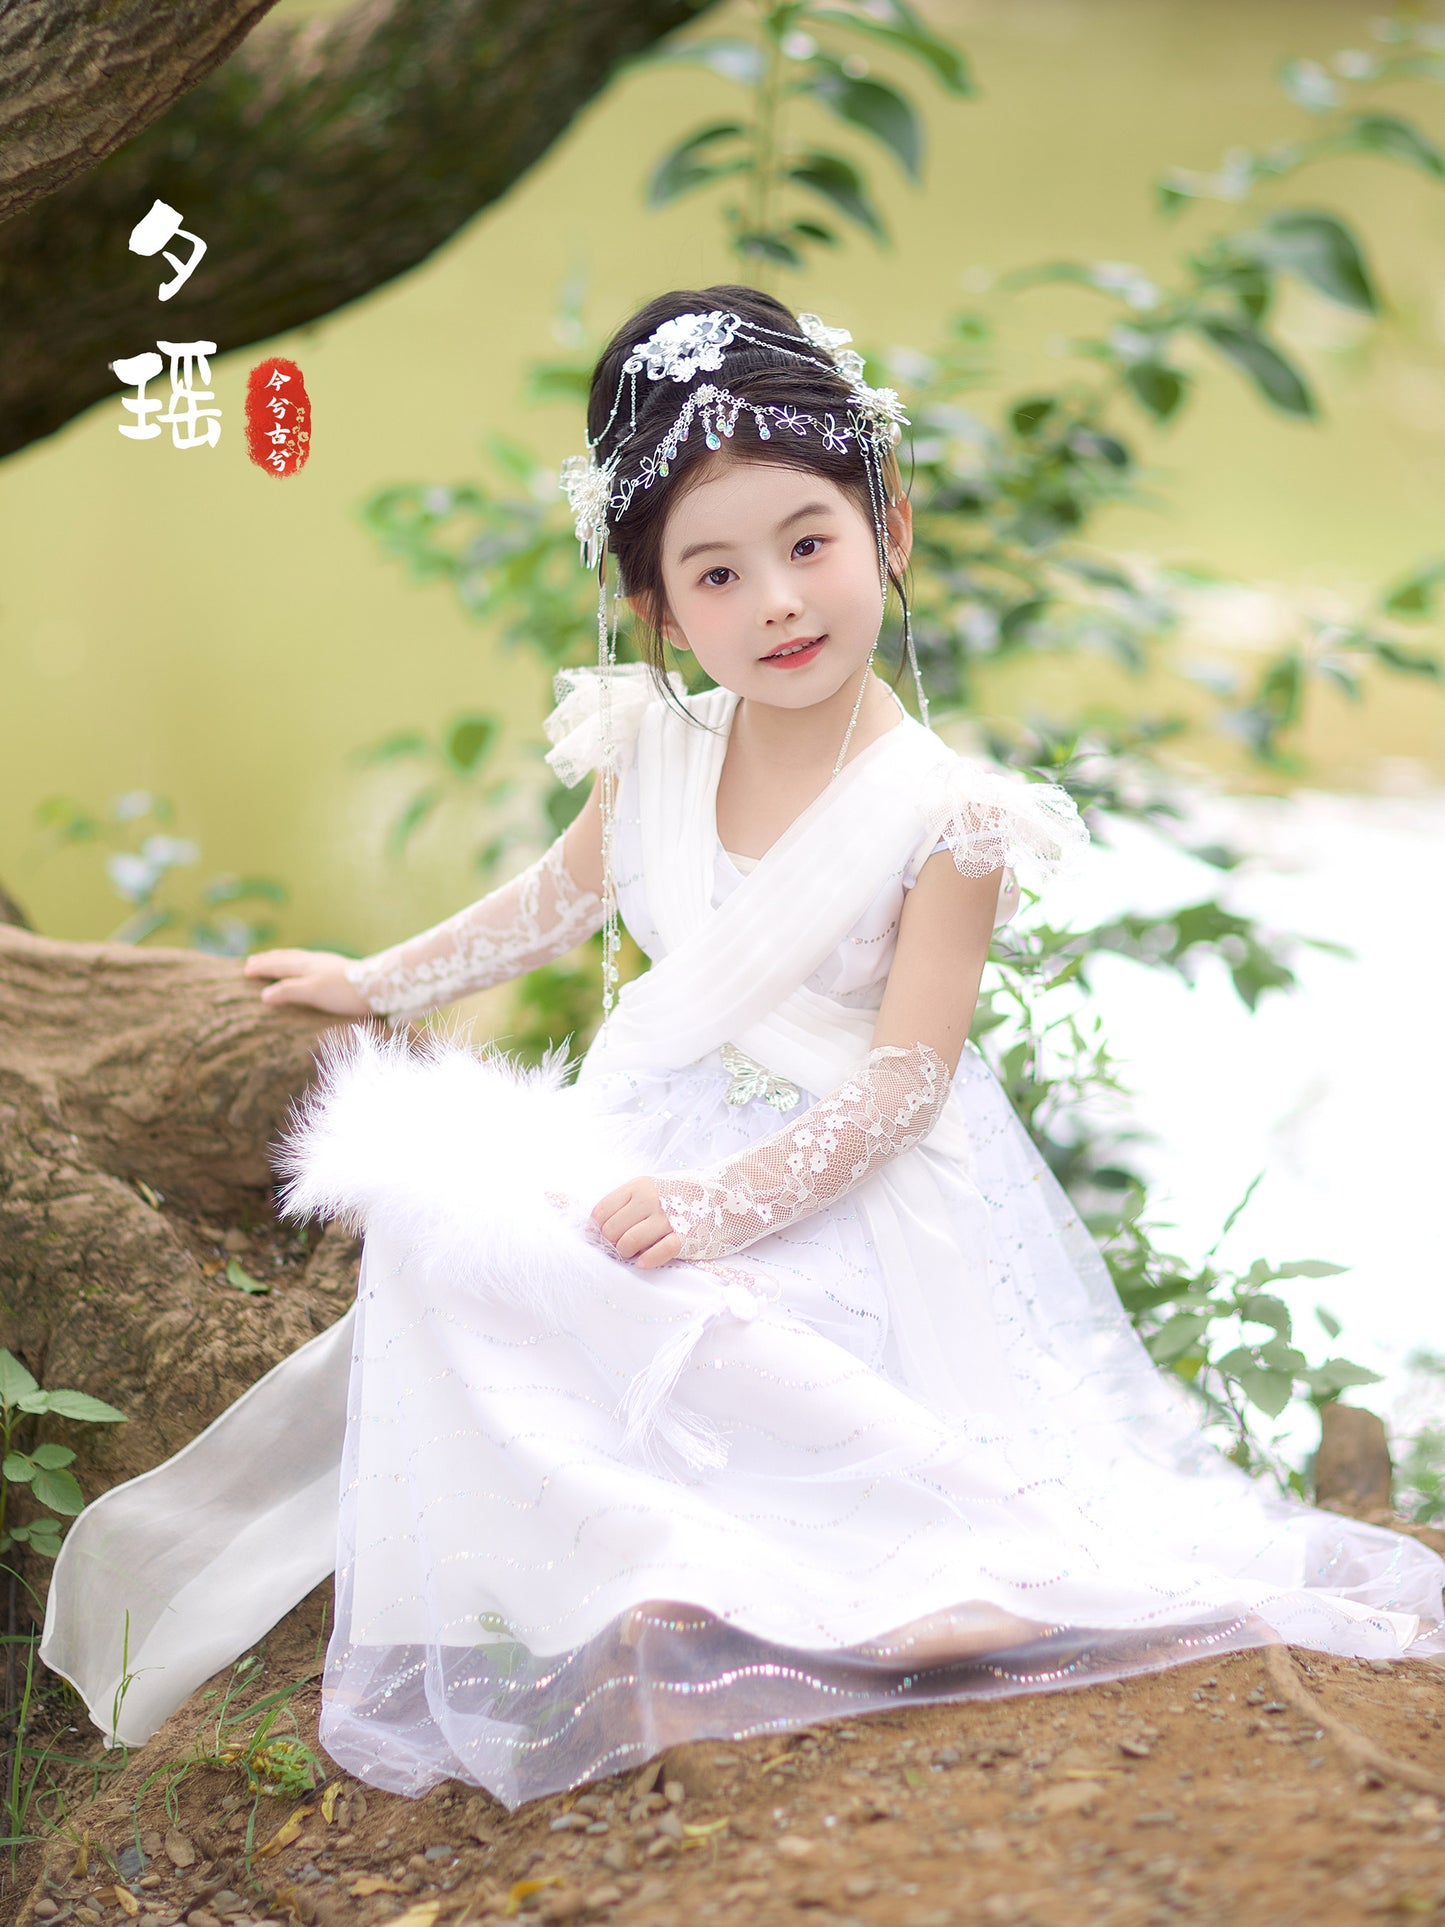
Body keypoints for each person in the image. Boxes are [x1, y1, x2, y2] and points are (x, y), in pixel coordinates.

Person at [40, 286, 1445, 1812]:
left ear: (887, 529)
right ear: (656, 608)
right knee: (459, 1234)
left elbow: (906, 1080)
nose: (776, 601)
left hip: (850, 1178)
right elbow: (555, 900)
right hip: (648, 1126)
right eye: (717, 572)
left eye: (807, 543)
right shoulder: (652, 746)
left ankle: (940, 1566)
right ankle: (648, 1561)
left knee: (707, 1303)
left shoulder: (948, 814)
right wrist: (374, 980)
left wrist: (726, 1205)